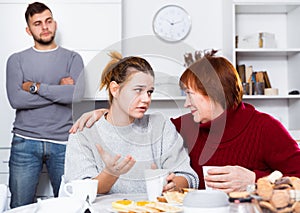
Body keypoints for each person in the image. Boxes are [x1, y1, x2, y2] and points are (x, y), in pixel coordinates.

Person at [70, 50, 300, 193]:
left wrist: (255, 180)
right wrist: (105, 112)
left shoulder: (265, 128)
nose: (186, 103)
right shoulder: (186, 125)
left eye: (190, 94)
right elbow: (134, 123)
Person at [64, 51, 199, 194]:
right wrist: (110, 173)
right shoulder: (84, 132)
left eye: (149, 92)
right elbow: (79, 191)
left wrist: (174, 185)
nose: (147, 99)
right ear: (115, 89)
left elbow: (187, 175)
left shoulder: (160, 125)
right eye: (138, 90)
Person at [6, 2, 84, 208]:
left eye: (48, 21)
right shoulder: (16, 60)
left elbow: (75, 95)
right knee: (20, 206)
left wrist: (35, 87)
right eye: (38, 23)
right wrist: (58, 90)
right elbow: (16, 100)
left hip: (63, 143)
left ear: (55, 24)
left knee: (72, 206)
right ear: (28, 29)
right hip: (25, 142)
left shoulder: (73, 58)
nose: (45, 27)